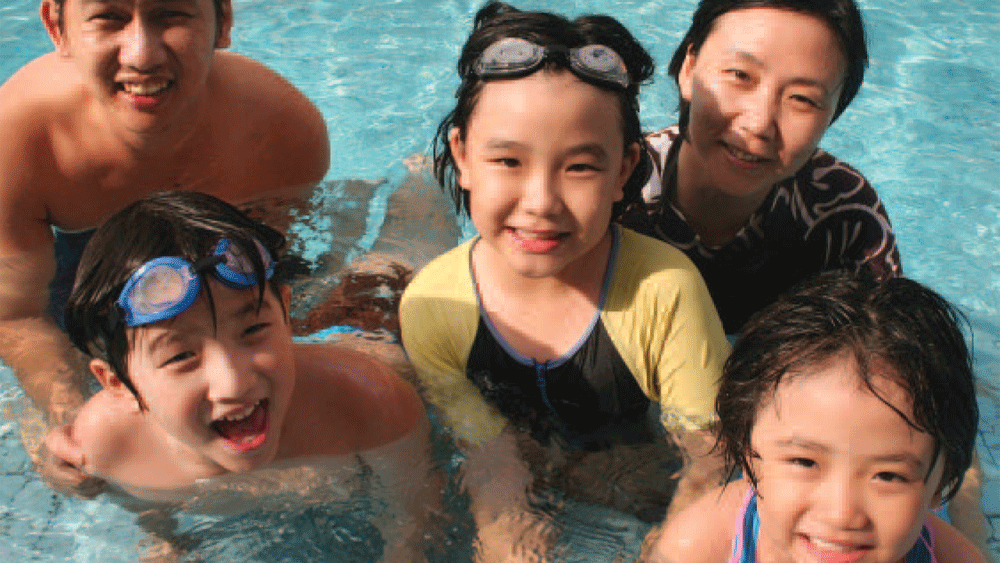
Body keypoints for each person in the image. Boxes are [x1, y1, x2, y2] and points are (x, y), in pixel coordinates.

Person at [399, 2, 730, 559]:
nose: (541, 204)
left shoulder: (663, 291)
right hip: (521, 475)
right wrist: (511, 540)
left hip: (636, 489)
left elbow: (709, 460)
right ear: (462, 156)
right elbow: (487, 457)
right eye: (508, 161)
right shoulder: (434, 305)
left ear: (624, 170)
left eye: (579, 167)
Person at [43, 191, 435, 560]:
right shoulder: (107, 445)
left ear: (284, 313)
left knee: (391, 268)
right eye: (181, 356)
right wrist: (165, 542)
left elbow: (416, 522)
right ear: (117, 385)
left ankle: (418, 189)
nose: (234, 383)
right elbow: (141, 507)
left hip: (365, 337)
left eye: (253, 329)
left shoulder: (369, 400)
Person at [0, 0, 329, 434]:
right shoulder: (21, 142)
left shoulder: (279, 129)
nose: (142, 55)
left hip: (221, 265)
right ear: (57, 28)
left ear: (223, 22)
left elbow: (275, 287)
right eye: (109, 18)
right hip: (73, 264)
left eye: (171, 14)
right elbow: (19, 314)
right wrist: (69, 416)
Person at [649, 270, 990, 563]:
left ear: (939, 484)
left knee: (965, 506)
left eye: (888, 476)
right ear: (748, 457)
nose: (840, 514)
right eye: (803, 462)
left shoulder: (952, 556)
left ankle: (964, 477)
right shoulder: (701, 544)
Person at [619, 0, 900, 335]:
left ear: (833, 114)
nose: (759, 124)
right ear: (688, 69)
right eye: (740, 75)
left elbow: (888, 354)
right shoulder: (620, 185)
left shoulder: (844, 215)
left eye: (802, 99)